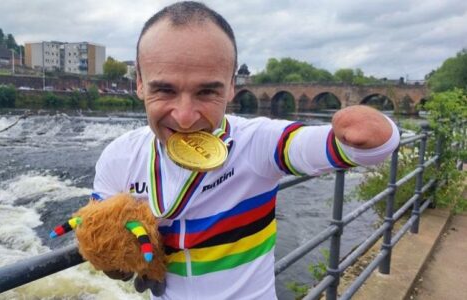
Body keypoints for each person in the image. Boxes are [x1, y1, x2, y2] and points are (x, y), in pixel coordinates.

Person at [93, 1, 399, 299]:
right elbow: (106, 253)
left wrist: (376, 136)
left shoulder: (257, 143)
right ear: (140, 84)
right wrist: (124, 256)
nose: (184, 117)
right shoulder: (118, 158)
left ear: (230, 87)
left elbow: (342, 149)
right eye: (164, 90)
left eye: (207, 91)